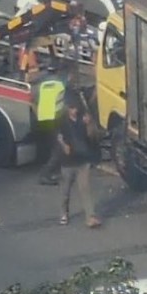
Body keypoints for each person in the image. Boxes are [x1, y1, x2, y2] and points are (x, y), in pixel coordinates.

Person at [56, 93, 102, 228]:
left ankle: (90, 216)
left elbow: (93, 136)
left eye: (76, 107)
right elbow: (58, 137)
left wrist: (89, 125)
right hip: (68, 162)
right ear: (67, 109)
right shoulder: (62, 122)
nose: (74, 110)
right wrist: (64, 146)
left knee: (85, 189)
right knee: (66, 190)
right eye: (71, 108)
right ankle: (64, 212)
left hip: (83, 161)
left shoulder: (84, 119)